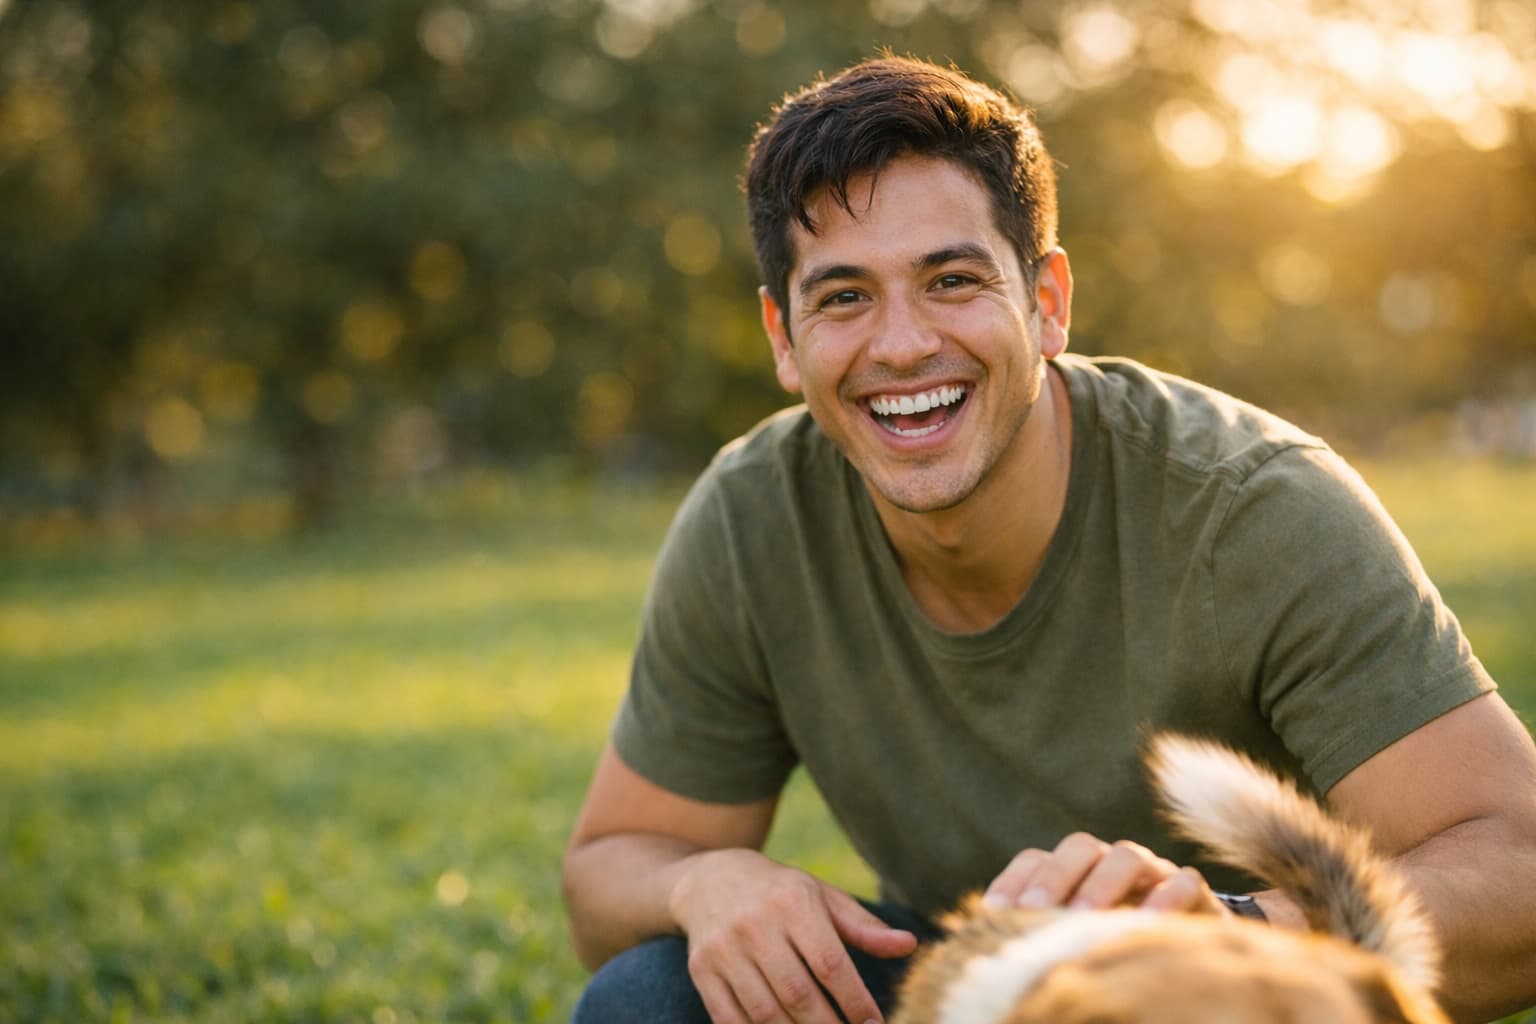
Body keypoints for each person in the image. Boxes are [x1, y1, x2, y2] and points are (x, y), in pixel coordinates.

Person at [562, 56, 1536, 1024]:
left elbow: (1519, 871)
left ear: (1047, 302)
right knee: (649, 999)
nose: (901, 345)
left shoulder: (1256, 510)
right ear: (783, 334)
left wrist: (1226, 933)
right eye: (845, 296)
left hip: (1241, 991)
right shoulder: (753, 518)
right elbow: (610, 869)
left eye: (951, 279)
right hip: (983, 987)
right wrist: (708, 883)